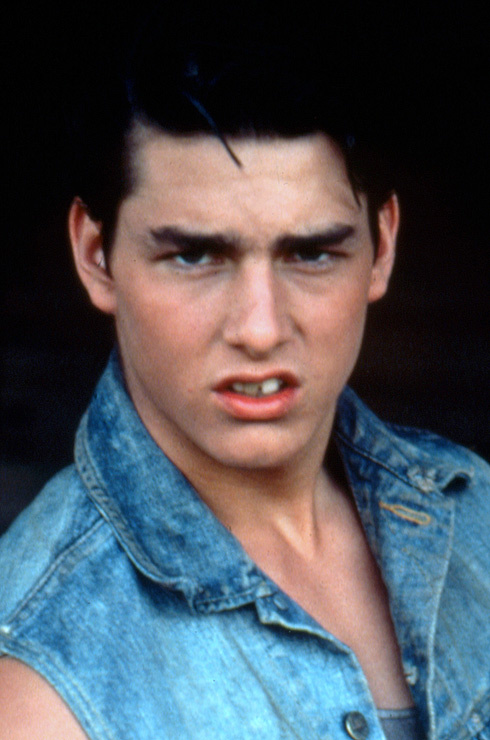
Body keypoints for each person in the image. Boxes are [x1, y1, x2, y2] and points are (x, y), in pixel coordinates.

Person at [1, 6, 489, 740]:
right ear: (96, 256)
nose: (260, 329)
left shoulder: (475, 514)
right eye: (195, 256)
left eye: (311, 254)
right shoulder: (40, 675)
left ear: (382, 247)